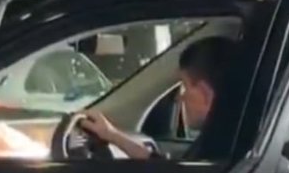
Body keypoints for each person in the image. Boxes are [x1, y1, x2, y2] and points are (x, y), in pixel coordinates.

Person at [79, 36, 234, 159]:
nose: (179, 98)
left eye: (185, 87)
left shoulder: (217, 151)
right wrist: (111, 134)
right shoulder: (227, 142)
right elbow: (165, 168)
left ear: (205, 94)